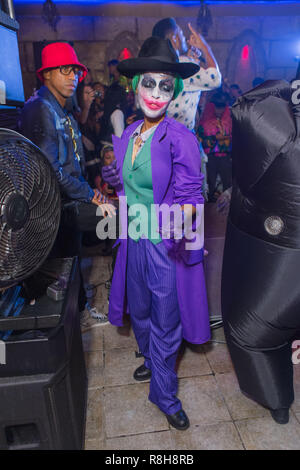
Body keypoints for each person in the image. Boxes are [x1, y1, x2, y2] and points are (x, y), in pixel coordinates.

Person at [102, 37, 210, 430]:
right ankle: (150, 360)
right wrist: (114, 179)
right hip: (132, 240)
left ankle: (165, 394)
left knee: (166, 319)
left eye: (167, 86)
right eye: (149, 83)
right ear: (135, 86)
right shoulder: (130, 133)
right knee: (141, 311)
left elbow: (190, 194)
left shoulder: (181, 138)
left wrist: (180, 223)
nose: (156, 94)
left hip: (164, 245)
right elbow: (125, 185)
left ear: (174, 92)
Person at [19, 42, 116, 323]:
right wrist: (92, 196)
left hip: (71, 199)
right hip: (55, 206)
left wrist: (92, 190)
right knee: (119, 222)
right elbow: (50, 170)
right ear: (46, 74)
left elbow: (73, 164)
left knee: (72, 261)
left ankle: (82, 309)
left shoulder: (63, 110)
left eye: (75, 70)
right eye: (64, 70)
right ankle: (114, 304)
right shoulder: (40, 108)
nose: (73, 76)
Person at [222, 79, 300, 425]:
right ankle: (278, 402)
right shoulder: (281, 134)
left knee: (251, 331)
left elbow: (248, 108)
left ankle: (278, 402)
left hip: (277, 254)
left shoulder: (274, 130)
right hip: (273, 250)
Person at [152, 17, 221, 131]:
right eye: (182, 34)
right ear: (174, 38)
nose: (184, 38)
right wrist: (205, 47)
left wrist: (191, 61)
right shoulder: (183, 65)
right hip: (181, 139)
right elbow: (215, 79)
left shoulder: (157, 66)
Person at [198, 91, 232, 202]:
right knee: (210, 182)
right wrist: (214, 138)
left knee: (227, 182)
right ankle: (209, 209)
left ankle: (228, 209)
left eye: (222, 107)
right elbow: (200, 139)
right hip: (211, 157)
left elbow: (234, 136)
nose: (219, 110)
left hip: (225, 157)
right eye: (217, 107)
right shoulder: (205, 121)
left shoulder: (229, 120)